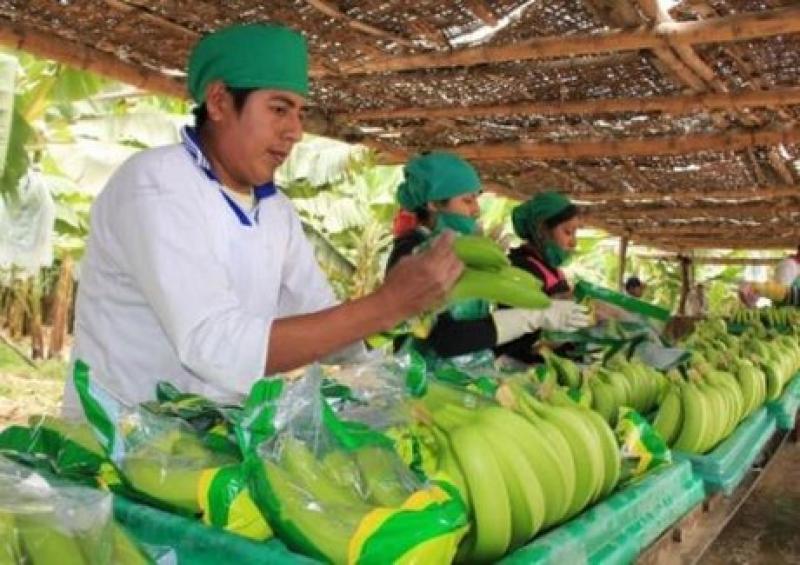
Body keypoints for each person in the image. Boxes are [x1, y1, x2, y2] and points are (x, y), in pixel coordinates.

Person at [61, 24, 464, 417]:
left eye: (300, 113)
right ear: (219, 102)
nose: (295, 132)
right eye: (278, 109)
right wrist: (387, 303)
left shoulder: (276, 211)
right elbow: (214, 345)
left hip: (209, 444)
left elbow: (323, 317)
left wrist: (392, 359)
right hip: (119, 447)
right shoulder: (157, 185)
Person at [386, 153, 589, 360]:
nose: (476, 211)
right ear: (433, 204)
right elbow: (445, 339)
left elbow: (477, 327)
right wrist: (531, 317)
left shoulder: (458, 250)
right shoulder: (413, 253)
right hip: (422, 382)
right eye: (467, 201)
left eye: (476, 200)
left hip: (463, 378)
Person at [496, 191, 582, 363]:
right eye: (567, 232)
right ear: (542, 229)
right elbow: (516, 327)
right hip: (523, 369)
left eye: (575, 233)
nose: (573, 242)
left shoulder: (553, 270)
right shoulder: (520, 268)